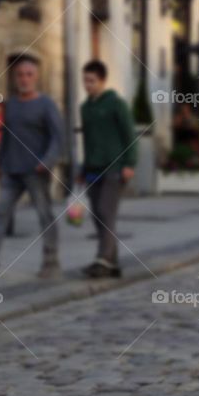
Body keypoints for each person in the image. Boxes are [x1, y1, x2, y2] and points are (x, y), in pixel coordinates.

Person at [0, 55, 64, 281]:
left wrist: (46, 162)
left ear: (36, 78)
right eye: (20, 75)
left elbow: (58, 138)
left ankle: (51, 262)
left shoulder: (46, 104)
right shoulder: (10, 105)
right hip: (11, 170)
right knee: (0, 214)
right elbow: (5, 137)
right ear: (14, 78)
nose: (24, 79)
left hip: (36, 172)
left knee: (44, 216)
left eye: (29, 75)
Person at [78, 60, 138, 278]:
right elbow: (87, 139)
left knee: (106, 211)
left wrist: (130, 163)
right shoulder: (85, 108)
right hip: (93, 167)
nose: (87, 85)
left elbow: (129, 135)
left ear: (102, 80)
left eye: (91, 81)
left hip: (115, 167)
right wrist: (82, 168)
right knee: (97, 215)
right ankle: (112, 262)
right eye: (85, 80)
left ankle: (102, 259)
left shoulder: (116, 103)